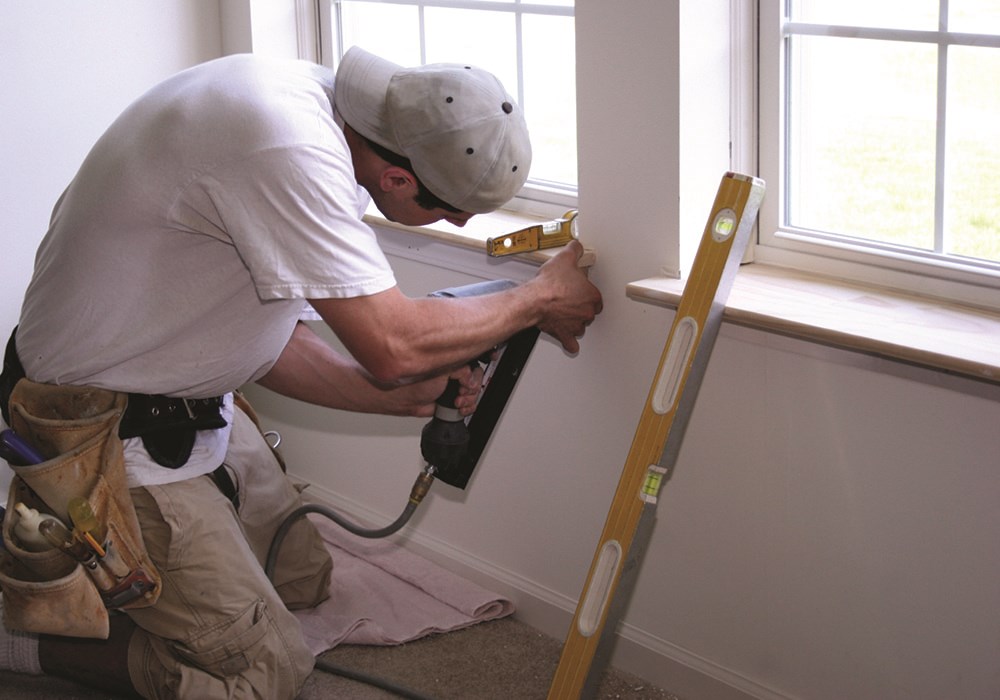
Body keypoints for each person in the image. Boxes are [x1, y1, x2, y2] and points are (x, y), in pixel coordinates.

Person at [0, 46, 602, 699]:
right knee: (266, 672)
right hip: (101, 431)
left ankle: (123, 578)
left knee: (302, 580)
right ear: (398, 179)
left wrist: (398, 401)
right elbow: (392, 346)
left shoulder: (315, 112)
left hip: (183, 399)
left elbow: (273, 337)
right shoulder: (283, 148)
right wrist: (537, 299)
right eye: (452, 208)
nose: (459, 222)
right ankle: (30, 638)